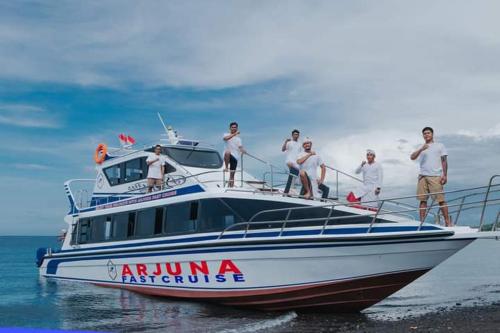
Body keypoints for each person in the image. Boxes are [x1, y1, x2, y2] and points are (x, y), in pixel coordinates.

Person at [410, 127, 451, 226]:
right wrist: (421, 149)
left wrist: (445, 175)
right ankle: (422, 223)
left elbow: (444, 161)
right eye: (424, 133)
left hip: (435, 176)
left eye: (428, 133)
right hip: (422, 177)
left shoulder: (440, 146)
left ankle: (448, 222)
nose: (426, 135)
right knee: (422, 200)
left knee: (441, 200)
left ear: (432, 134)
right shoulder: (421, 147)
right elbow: (412, 157)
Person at [223, 122, 245, 187]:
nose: (234, 128)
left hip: (235, 157)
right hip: (227, 155)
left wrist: (243, 150)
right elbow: (225, 139)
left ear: (237, 128)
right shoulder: (225, 134)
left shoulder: (239, 139)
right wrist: (235, 134)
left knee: (232, 175)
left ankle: (231, 187)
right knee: (227, 152)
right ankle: (226, 167)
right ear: (230, 128)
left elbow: (240, 147)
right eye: (232, 127)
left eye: (235, 127)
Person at [281, 129, 302, 194]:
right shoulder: (289, 142)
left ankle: (291, 188)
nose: (296, 136)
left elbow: (301, 153)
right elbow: (283, 149)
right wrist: (285, 141)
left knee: (295, 175)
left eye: (297, 134)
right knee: (293, 173)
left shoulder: (300, 144)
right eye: (295, 134)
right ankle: (288, 190)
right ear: (292, 135)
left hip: (297, 162)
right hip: (289, 161)